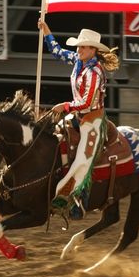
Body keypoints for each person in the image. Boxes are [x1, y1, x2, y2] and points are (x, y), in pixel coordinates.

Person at [37, 19, 120, 218]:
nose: (80, 49)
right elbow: (57, 51)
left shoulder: (94, 72)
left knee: (83, 160)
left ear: (93, 50)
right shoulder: (78, 61)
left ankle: (76, 198)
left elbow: (86, 103)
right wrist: (46, 30)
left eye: (83, 47)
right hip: (77, 116)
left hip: (93, 120)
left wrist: (64, 106)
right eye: (79, 46)